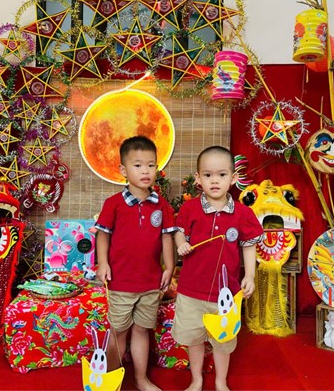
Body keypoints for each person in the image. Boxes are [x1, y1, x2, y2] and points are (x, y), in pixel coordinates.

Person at [172, 146, 264, 391]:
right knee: (194, 338)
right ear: (198, 178)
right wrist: (181, 244)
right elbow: (179, 232)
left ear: (233, 178)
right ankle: (197, 379)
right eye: (208, 175)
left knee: (223, 341)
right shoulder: (190, 208)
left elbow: (249, 245)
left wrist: (250, 275)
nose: (215, 181)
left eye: (222, 175)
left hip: (226, 294)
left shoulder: (243, 213)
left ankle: (220, 381)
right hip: (191, 291)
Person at [95, 135, 175, 391]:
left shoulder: (162, 206)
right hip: (121, 282)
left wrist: (169, 267)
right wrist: (102, 263)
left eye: (150, 165)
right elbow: (103, 235)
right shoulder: (114, 204)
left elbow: (167, 238)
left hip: (150, 283)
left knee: (141, 330)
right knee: (118, 332)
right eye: (138, 165)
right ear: (123, 170)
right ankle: (110, 382)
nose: (145, 171)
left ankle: (141, 379)